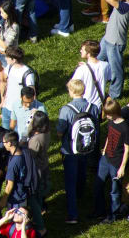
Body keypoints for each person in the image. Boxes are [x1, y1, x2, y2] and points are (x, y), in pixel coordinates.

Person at [56, 79, 98, 224]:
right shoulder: (93, 107)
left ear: (71, 91)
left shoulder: (66, 110)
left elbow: (60, 132)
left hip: (70, 150)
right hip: (87, 147)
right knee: (82, 173)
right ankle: (81, 195)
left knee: (70, 181)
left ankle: (73, 214)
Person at [94, 98, 129, 223]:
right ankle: (99, 211)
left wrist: (122, 167)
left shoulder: (125, 127)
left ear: (115, 113)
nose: (106, 116)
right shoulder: (111, 122)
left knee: (115, 192)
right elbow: (109, 135)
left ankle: (113, 216)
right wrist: (105, 148)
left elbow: (127, 149)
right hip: (105, 158)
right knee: (98, 185)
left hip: (116, 163)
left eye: (108, 114)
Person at [96, 0, 129, 99]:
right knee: (98, 59)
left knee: (116, 69)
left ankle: (115, 94)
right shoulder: (122, 1)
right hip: (107, 38)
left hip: (115, 42)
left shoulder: (125, 6)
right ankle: (94, 79)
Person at [0, 0, 20, 111]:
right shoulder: (5, 22)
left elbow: (6, 46)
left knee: (9, 82)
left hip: (9, 58)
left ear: (9, 13)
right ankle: (2, 102)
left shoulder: (14, 27)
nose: (0, 14)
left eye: (2, 12)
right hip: (1, 55)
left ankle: (8, 104)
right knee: (2, 80)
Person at [0, 46, 33, 130]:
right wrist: (3, 101)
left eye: (7, 57)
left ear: (14, 59)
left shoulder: (27, 73)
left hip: (18, 109)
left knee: (18, 134)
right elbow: (6, 84)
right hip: (6, 107)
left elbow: (31, 93)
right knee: (5, 133)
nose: (5, 59)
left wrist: (26, 109)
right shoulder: (9, 67)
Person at [26, 111, 50, 237]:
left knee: (33, 196)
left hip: (36, 170)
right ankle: (41, 210)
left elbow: (30, 155)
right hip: (44, 165)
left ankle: (39, 222)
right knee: (40, 193)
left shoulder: (35, 140)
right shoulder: (46, 133)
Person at [71, 39, 111, 112]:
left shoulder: (82, 69)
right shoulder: (106, 65)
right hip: (99, 104)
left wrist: (82, 67)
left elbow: (72, 85)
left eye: (82, 50)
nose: (80, 51)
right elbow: (108, 78)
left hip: (85, 105)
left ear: (88, 54)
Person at [0, 132, 28, 210]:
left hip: (15, 200)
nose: (3, 144)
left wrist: (3, 200)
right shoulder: (22, 153)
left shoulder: (13, 163)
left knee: (16, 221)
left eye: (4, 142)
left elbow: (10, 185)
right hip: (22, 194)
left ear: (9, 143)